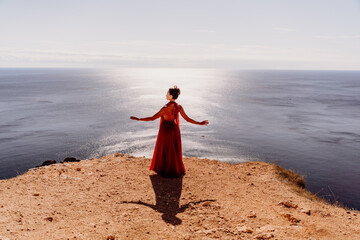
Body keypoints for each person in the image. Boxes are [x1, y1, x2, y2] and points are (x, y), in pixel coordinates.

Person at [130, 86, 209, 177]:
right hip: (174, 130)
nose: (166, 95)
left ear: (171, 96)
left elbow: (152, 118)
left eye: (167, 93)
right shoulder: (179, 107)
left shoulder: (165, 108)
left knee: (165, 149)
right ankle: (175, 169)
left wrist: (139, 119)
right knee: (173, 150)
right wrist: (200, 123)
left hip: (166, 130)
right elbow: (188, 119)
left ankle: (166, 170)